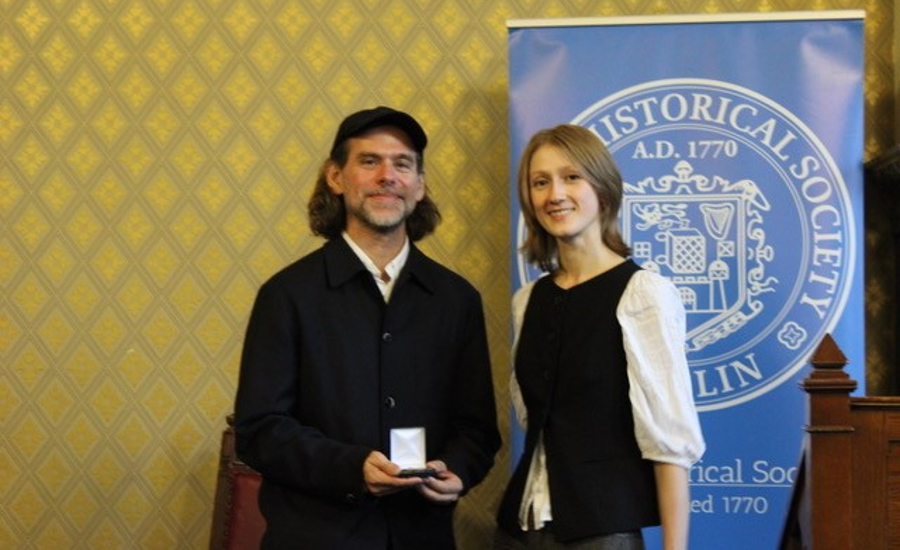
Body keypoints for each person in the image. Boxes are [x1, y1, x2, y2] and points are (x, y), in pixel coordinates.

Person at [234, 106, 501, 550]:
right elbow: (260, 431)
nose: (387, 176)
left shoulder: (457, 300)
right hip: (315, 539)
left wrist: (457, 470)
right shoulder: (286, 295)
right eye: (369, 161)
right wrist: (351, 467)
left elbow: (477, 430)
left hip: (423, 538)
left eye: (402, 164)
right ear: (336, 178)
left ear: (419, 186)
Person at [494, 124, 705, 550]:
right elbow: (531, 420)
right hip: (518, 530)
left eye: (571, 177)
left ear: (603, 190)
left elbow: (669, 444)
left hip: (601, 534)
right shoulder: (527, 300)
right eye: (540, 182)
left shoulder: (644, 294)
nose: (555, 194)